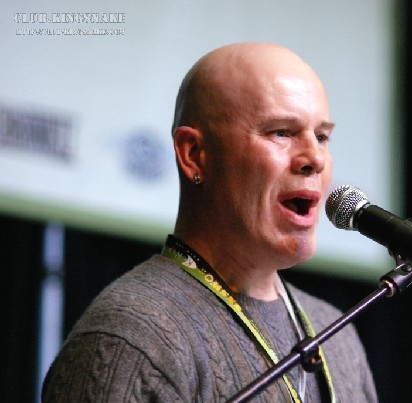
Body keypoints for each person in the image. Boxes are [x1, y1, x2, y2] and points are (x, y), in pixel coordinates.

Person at [42, 42, 378, 402]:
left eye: (322, 136)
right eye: (281, 132)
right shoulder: (131, 339)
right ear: (195, 155)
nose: (315, 158)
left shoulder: (337, 335)